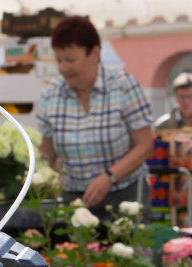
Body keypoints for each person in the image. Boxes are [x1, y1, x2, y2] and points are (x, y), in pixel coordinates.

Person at [36, 15, 154, 214]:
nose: (63, 68)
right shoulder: (50, 94)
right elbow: (46, 152)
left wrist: (109, 177)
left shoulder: (123, 85)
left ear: (95, 53)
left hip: (126, 198)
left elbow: (145, 145)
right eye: (59, 60)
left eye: (71, 60)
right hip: (74, 202)